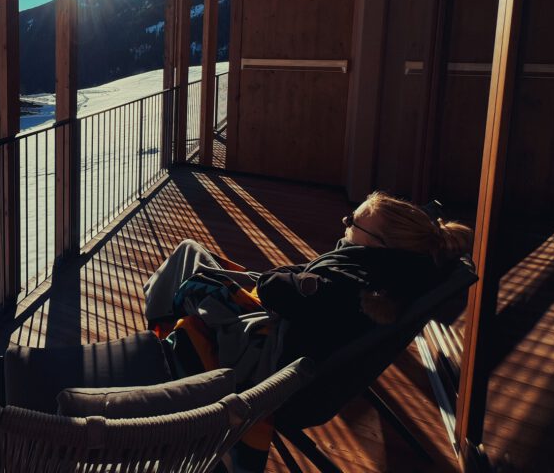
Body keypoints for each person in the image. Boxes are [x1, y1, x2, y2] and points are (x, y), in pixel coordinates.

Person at [142, 192, 474, 472]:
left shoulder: (347, 285)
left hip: (273, 368)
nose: (344, 227)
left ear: (377, 243)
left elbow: (275, 288)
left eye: (351, 223)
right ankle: (162, 337)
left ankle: (161, 353)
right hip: (301, 347)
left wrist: (294, 274)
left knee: (191, 277)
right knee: (189, 252)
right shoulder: (400, 271)